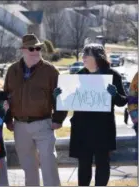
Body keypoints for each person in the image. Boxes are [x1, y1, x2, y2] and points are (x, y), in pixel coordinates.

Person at [54, 43, 127, 186]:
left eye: (87, 54)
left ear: (97, 57)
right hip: (82, 129)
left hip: (103, 129)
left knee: (102, 164)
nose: (84, 57)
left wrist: (115, 94)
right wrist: (57, 97)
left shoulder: (113, 75)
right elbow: (69, 101)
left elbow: (122, 102)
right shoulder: (78, 75)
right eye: (83, 54)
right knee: (84, 165)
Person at [4, 34, 68, 186]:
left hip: (44, 123)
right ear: (23, 50)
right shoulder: (12, 70)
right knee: (28, 167)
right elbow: (6, 96)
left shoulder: (50, 70)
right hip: (20, 126)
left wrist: (58, 118)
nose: (36, 51)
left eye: (38, 48)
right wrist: (8, 120)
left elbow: (61, 96)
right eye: (32, 48)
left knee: (49, 164)